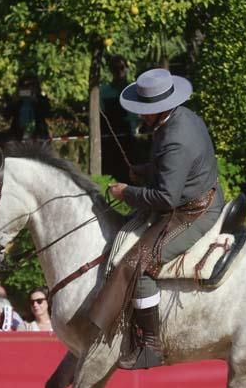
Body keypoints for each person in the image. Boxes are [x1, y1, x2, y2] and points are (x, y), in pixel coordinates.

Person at [93, 68, 225, 368]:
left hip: (194, 212)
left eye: (145, 110)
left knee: (139, 265)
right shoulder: (181, 117)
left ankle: (150, 346)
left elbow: (166, 198)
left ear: (160, 108)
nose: (141, 115)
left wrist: (128, 192)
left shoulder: (175, 138)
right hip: (192, 196)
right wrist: (146, 171)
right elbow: (174, 169)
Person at [100, 55, 141, 182]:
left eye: (122, 67)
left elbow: (139, 115)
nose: (119, 71)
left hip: (130, 136)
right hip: (110, 138)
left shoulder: (134, 91)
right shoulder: (104, 91)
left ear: (127, 68)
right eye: (115, 68)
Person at [5, 74, 51, 141]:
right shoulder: (17, 101)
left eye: (32, 86)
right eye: (25, 87)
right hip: (18, 136)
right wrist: (14, 101)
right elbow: (6, 116)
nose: (29, 89)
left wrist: (36, 100)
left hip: (38, 137)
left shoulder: (42, 100)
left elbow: (47, 114)